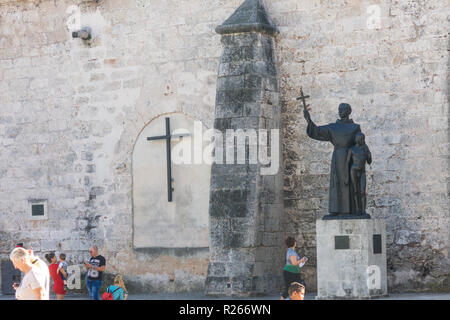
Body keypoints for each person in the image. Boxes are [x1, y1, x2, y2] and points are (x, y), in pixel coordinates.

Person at [304, 103, 362, 217]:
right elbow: (317, 131)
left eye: (343, 109)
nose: (341, 111)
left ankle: (352, 210)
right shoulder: (332, 127)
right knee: (336, 183)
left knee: (350, 183)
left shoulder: (355, 127)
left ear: (349, 111)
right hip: (337, 157)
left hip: (350, 158)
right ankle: (337, 210)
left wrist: (361, 159)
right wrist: (308, 120)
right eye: (339, 109)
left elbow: (360, 143)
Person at [346, 132, 372, 215]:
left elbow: (369, 161)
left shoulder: (365, 148)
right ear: (358, 140)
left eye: (363, 139)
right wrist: (346, 177)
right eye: (362, 139)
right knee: (355, 191)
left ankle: (363, 210)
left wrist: (369, 155)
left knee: (362, 191)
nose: (363, 140)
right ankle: (357, 210)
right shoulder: (352, 149)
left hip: (362, 171)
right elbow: (347, 163)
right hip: (354, 171)